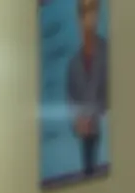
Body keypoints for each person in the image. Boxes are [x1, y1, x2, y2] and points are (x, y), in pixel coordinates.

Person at [68, 0, 108, 176]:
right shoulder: (73, 65)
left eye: (93, 11)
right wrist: (78, 120)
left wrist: (96, 113)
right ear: (78, 19)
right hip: (86, 135)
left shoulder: (110, 53)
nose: (88, 18)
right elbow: (71, 100)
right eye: (84, 13)